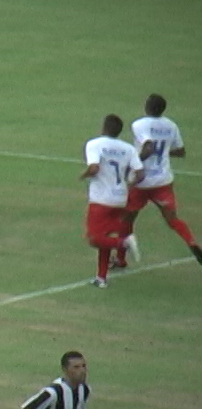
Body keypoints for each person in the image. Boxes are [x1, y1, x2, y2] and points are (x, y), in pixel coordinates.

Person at [123, 94, 202, 265]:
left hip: (141, 181)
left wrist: (133, 164)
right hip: (163, 180)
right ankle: (192, 243)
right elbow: (181, 151)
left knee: (127, 218)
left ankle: (121, 259)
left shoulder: (139, 124)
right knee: (173, 219)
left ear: (147, 106)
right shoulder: (171, 125)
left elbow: (149, 147)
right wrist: (165, 151)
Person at [80, 114, 144, 288]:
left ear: (104, 127)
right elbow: (140, 173)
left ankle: (124, 243)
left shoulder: (94, 144)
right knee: (105, 236)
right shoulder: (128, 148)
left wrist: (84, 175)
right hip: (120, 198)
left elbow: (94, 167)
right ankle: (101, 278)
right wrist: (128, 184)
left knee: (94, 238)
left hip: (101, 199)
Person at [21, 351, 91, 409]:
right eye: (76, 367)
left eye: (83, 366)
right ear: (65, 369)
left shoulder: (85, 389)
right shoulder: (53, 392)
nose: (82, 371)